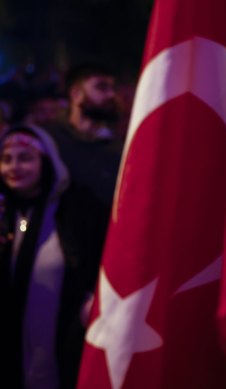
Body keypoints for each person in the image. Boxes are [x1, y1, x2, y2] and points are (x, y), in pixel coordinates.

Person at [0, 125, 108, 389]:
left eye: (25, 158)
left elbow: (97, 261)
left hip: (65, 344)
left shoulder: (76, 208)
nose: (15, 167)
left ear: (46, 161)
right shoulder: (5, 211)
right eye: (6, 159)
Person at [45, 63, 123, 209]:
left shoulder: (116, 146)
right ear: (76, 94)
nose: (111, 95)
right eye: (101, 87)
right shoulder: (50, 141)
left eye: (112, 88)